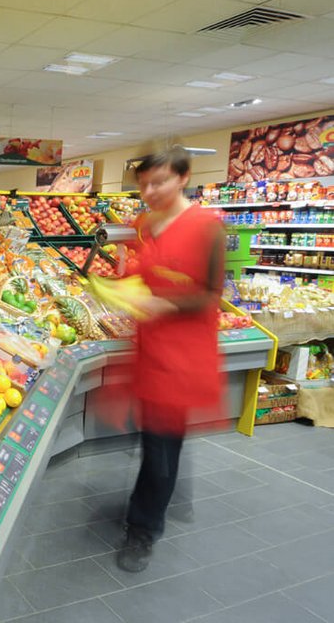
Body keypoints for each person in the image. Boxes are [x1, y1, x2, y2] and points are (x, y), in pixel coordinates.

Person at [116, 146, 225, 573]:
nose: (149, 191)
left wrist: (167, 306)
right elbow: (143, 274)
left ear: (183, 177)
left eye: (158, 182)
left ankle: (143, 531)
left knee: (159, 445)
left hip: (181, 354)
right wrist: (123, 290)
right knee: (160, 439)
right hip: (149, 349)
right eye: (143, 184)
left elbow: (211, 293)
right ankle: (170, 495)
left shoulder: (207, 227)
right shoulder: (146, 224)